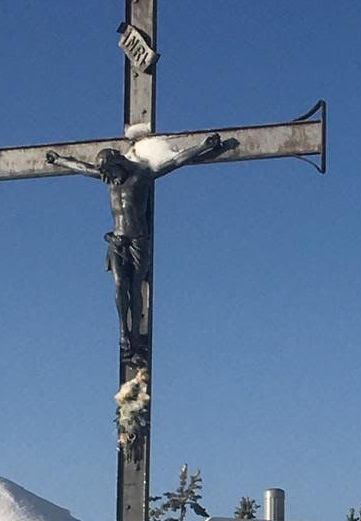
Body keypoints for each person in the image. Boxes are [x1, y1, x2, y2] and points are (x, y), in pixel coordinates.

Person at [46, 134, 236, 356]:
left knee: (135, 287)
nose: (109, 178)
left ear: (119, 164)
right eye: (106, 175)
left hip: (138, 241)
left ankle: (135, 333)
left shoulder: (142, 176)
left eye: (112, 173)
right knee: (119, 285)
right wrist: (59, 160)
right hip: (117, 240)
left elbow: (175, 161)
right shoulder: (108, 179)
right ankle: (123, 332)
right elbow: (82, 167)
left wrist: (202, 146)